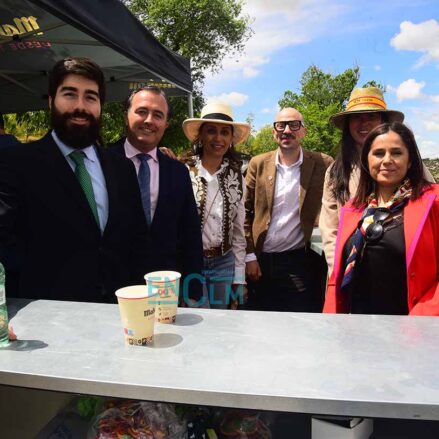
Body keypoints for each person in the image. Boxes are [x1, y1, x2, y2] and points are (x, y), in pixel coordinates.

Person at [0, 57, 148, 303]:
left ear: (100, 106)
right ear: (51, 102)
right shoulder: (16, 165)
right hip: (47, 322)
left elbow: (137, 241)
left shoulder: (121, 168)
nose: (80, 106)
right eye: (70, 94)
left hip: (120, 315)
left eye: (90, 97)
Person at [323, 122, 439, 315]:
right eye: (378, 153)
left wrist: (420, 321)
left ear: (410, 160)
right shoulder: (354, 209)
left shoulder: (432, 202)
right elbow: (338, 273)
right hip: (356, 329)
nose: (387, 160)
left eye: (396, 153)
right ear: (366, 160)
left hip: (413, 329)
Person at [319, 87, 434, 275]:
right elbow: (330, 229)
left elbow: (430, 208)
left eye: (371, 116)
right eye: (357, 117)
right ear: (348, 124)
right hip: (352, 276)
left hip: (406, 272)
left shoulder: (409, 165)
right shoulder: (336, 171)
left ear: (383, 121)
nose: (364, 123)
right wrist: (339, 271)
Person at [109, 86, 203, 304]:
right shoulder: (102, 163)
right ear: (126, 116)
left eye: (158, 115)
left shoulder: (178, 172)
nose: (149, 120)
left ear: (166, 124)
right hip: (113, 291)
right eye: (142, 111)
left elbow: (189, 235)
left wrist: (193, 293)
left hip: (165, 292)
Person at [245, 107, 333, 312]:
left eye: (294, 125)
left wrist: (321, 217)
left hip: (297, 261)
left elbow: (338, 202)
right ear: (274, 131)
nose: (287, 130)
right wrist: (249, 257)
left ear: (304, 131)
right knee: (259, 323)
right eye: (281, 125)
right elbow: (243, 213)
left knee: (301, 322)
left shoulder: (323, 163)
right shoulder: (257, 164)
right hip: (259, 261)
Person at [181, 102, 250, 309]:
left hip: (223, 263)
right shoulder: (183, 171)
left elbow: (238, 232)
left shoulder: (237, 176)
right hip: (191, 262)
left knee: (221, 321)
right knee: (198, 319)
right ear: (200, 135)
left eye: (224, 132)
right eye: (211, 131)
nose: (218, 138)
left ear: (231, 139)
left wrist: (239, 278)